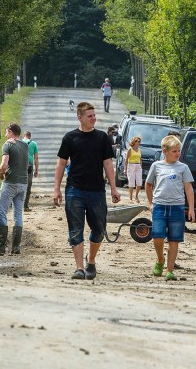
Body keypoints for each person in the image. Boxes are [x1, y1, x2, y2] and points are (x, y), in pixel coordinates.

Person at [53, 101, 121, 280]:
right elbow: (61, 164)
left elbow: (108, 163)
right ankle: (79, 268)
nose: (93, 119)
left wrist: (113, 188)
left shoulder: (102, 138)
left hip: (97, 191)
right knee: (76, 229)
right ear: (80, 117)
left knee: (99, 229)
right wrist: (56, 189)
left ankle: (91, 260)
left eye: (94, 115)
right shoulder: (70, 138)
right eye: (89, 116)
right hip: (75, 189)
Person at [145, 135, 195, 281]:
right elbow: (148, 185)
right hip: (159, 206)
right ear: (165, 151)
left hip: (177, 208)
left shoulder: (183, 168)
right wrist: (151, 203)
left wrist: (191, 208)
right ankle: (160, 259)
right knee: (157, 236)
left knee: (174, 240)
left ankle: (170, 270)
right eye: (174, 151)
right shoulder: (156, 166)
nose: (178, 153)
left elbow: (189, 188)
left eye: (179, 151)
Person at [0, 123, 29, 255]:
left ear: (11, 132)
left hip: (10, 182)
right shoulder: (25, 145)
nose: (5, 135)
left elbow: (4, 164)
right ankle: (16, 246)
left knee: (2, 211)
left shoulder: (8, 144)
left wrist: (1, 173)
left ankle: (0, 245)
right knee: (18, 213)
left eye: (6, 132)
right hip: (23, 183)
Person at [21, 130, 39, 212]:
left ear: (23, 136)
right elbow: (36, 158)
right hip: (29, 166)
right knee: (28, 185)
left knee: (19, 184)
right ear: (30, 137)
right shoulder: (33, 143)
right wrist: (36, 170)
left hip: (20, 166)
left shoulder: (19, 142)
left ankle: (17, 205)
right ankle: (26, 206)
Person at [124, 136, 143, 203]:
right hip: (131, 165)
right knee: (131, 183)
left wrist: (140, 166)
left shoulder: (140, 150)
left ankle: (136, 196)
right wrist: (125, 169)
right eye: (137, 141)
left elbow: (140, 159)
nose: (138, 142)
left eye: (139, 141)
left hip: (138, 166)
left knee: (139, 183)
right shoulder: (130, 149)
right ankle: (130, 198)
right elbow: (126, 160)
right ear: (133, 142)